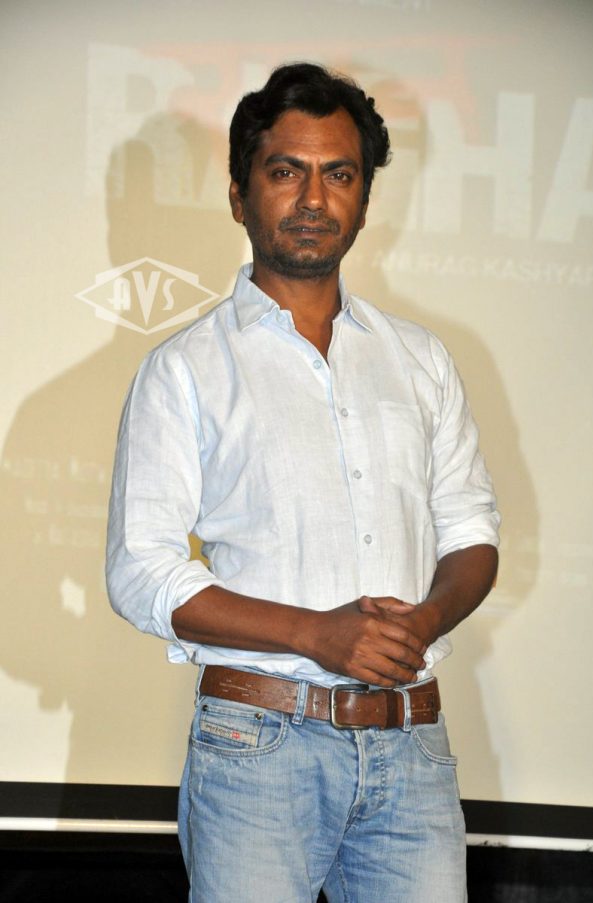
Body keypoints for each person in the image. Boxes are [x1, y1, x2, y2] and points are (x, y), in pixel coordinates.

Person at [106, 62, 500, 903]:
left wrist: (426, 619)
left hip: (411, 747)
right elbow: (141, 569)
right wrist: (314, 634)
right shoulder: (185, 368)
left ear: (364, 198)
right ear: (239, 194)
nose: (314, 198)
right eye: (286, 171)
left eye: (339, 174)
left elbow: (472, 531)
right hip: (258, 748)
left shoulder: (420, 359)